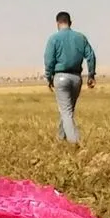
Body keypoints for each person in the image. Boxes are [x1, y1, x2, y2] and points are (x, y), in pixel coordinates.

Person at [44, 11, 96, 145]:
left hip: (61, 77)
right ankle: (61, 138)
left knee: (66, 111)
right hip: (76, 78)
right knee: (68, 110)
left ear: (57, 23)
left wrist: (49, 78)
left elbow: (49, 60)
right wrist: (91, 75)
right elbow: (91, 56)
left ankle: (75, 143)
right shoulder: (80, 37)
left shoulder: (53, 39)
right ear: (70, 22)